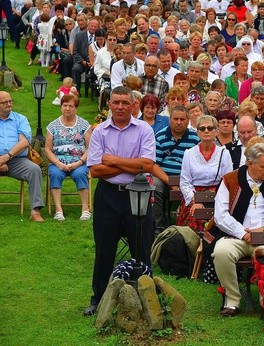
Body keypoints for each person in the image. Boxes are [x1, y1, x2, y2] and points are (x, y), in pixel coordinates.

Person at [84, 86, 156, 316]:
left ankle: (145, 298)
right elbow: (95, 170)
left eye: (125, 102)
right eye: (116, 102)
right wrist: (131, 163)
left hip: (138, 192)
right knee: (104, 248)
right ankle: (99, 299)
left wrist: (113, 160)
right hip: (108, 195)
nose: (120, 107)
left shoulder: (144, 129)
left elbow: (147, 166)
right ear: (109, 104)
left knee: (141, 248)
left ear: (133, 105)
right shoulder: (100, 131)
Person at [212, 142, 264, 316]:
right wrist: (242, 233)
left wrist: (263, 230)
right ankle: (232, 300)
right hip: (235, 237)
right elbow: (220, 215)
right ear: (249, 163)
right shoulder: (230, 180)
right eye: (263, 166)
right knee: (221, 252)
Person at [177, 115, 233, 232]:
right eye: (202, 129)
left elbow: (228, 180)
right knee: (193, 213)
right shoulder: (189, 153)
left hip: (217, 195)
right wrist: (195, 201)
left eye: (210, 128)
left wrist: (215, 196)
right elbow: (185, 181)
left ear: (216, 131)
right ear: (197, 132)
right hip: (194, 195)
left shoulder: (224, 153)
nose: (206, 131)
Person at [45, 95, 91, 221]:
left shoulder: (84, 125)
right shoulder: (53, 126)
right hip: (58, 162)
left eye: (71, 106)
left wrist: (79, 162)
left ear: (76, 108)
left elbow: (89, 148)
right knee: (55, 174)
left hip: (79, 162)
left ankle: (85, 209)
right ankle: (58, 210)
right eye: (65, 105)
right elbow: (48, 149)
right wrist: (57, 163)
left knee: (80, 174)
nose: (67, 108)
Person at [0, 91, 45, 222]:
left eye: (10, 101)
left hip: (16, 160)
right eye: (5, 102)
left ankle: (35, 211)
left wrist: (6, 157)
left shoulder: (20, 119)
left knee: (34, 170)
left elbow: (24, 142)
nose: (9, 104)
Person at [154, 105, 200, 231]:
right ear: (170, 120)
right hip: (164, 178)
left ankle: (190, 227)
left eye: (182, 119)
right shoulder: (160, 136)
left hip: (188, 178)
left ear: (188, 120)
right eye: (175, 119)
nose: (179, 122)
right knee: (154, 186)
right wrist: (171, 182)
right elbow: (154, 165)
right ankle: (158, 227)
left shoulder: (195, 139)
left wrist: (183, 183)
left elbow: (198, 165)